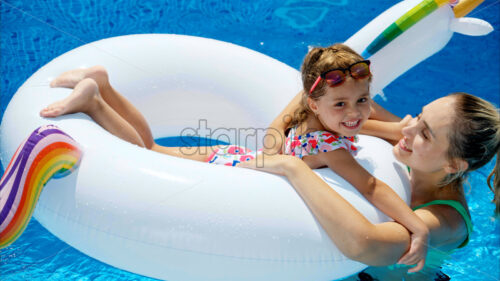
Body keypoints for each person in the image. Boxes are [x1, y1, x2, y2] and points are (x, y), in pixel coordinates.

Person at [40, 44, 431, 270]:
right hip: (232, 171)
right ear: (315, 102)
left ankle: (104, 86)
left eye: (363, 100)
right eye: (342, 103)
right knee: (144, 149)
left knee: (152, 146)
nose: (356, 113)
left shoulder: (311, 117)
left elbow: (357, 128)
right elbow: (372, 185)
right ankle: (96, 102)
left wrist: (387, 127)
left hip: (232, 155)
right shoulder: (330, 145)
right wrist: (417, 226)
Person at [239, 92, 500, 280]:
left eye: (424, 133)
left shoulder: (446, 220)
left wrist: (292, 167)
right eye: (419, 116)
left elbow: (364, 246)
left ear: (454, 165)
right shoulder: (415, 148)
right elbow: (316, 95)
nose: (408, 130)